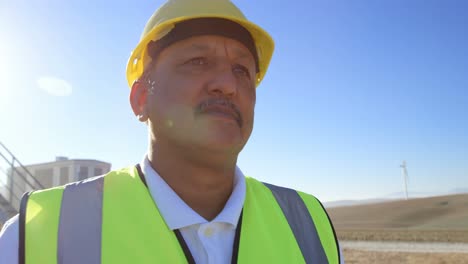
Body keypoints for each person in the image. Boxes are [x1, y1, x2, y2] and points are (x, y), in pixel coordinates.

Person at [0, 0, 344, 263]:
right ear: (141, 98)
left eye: (242, 69)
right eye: (197, 62)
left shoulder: (310, 226)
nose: (227, 84)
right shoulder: (33, 238)